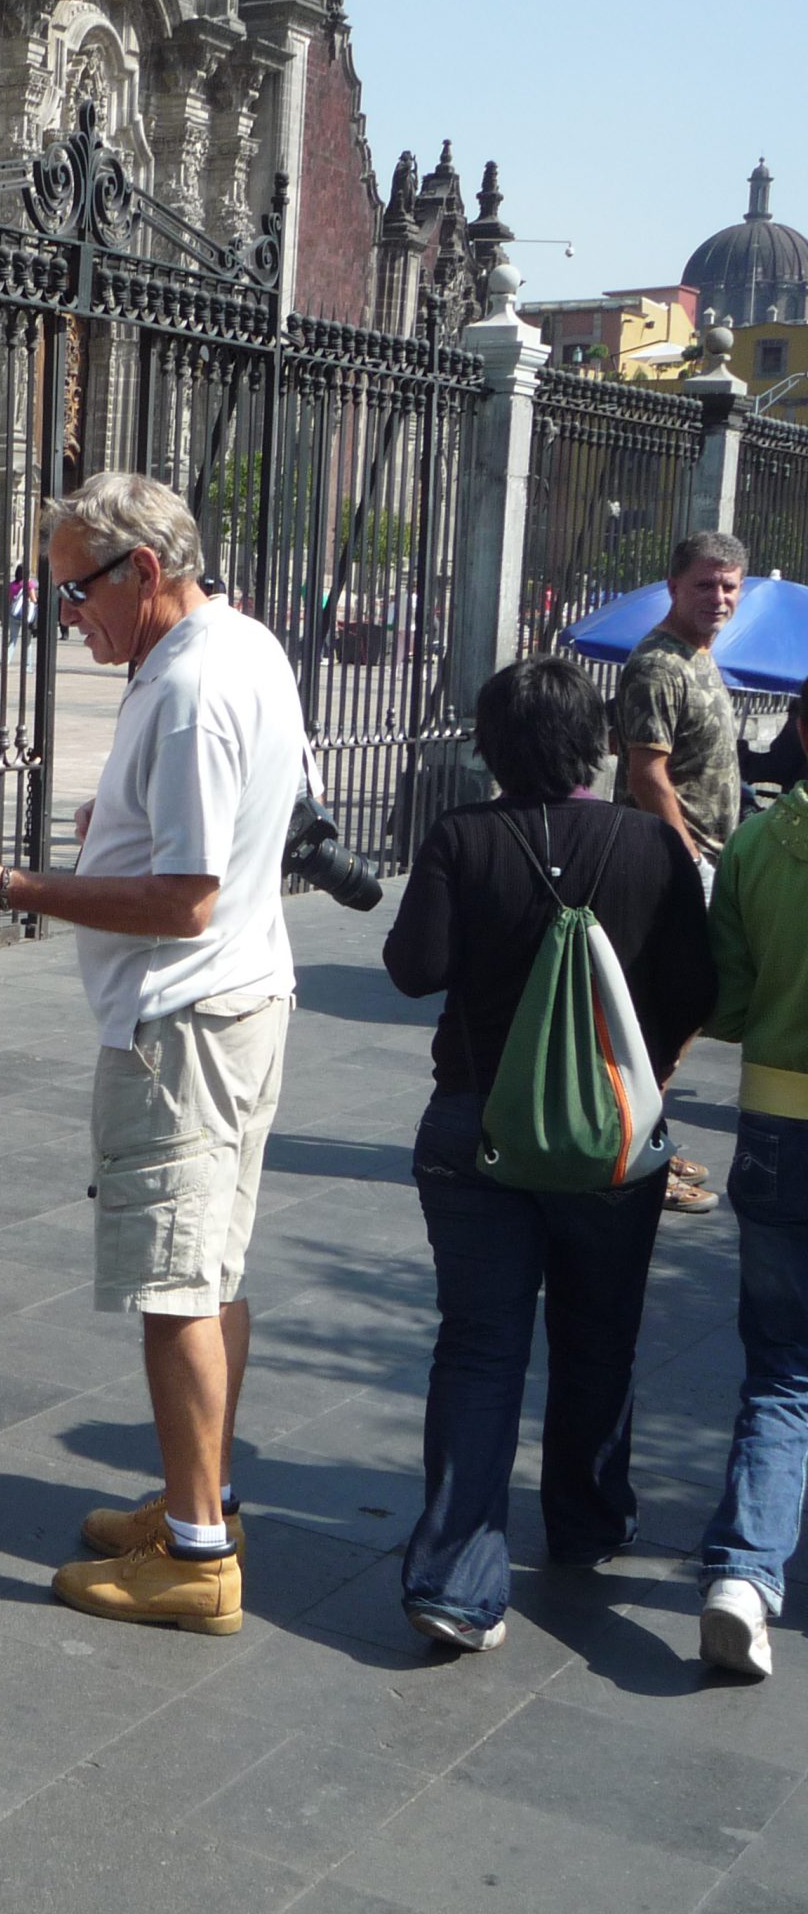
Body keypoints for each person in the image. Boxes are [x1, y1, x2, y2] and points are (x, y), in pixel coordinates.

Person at [0, 473, 303, 1636]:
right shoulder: (240, 646)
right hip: (239, 1000)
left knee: (172, 1286)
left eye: (76, 590)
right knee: (211, 1272)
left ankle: (197, 1558)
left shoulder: (190, 690)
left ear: (146, 571)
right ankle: (196, 1497)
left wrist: (9, 886)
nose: (63, 613)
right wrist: (113, 830)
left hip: (183, 1020)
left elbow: (183, 899)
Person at [382, 656, 712, 1653]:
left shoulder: (461, 837)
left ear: (490, 746)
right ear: (598, 743)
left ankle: (453, 1581)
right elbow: (698, 989)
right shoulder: (651, 845)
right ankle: (587, 1519)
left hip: (474, 1125)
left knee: (479, 1346)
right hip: (610, 1140)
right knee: (599, 1332)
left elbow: (414, 970)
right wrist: (637, 1063)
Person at [694, 679, 808, 1679]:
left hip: (777, 1125)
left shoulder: (757, 845)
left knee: (782, 1369)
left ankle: (744, 1574)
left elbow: (726, 1008)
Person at [614, 530, 747, 1215]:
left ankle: (650, 1136)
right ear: (673, 587)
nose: (717, 598)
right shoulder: (658, 665)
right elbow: (647, 773)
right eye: (704, 584)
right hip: (670, 867)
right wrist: (688, 861)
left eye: (728, 586)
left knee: (683, 1011)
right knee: (666, 1012)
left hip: (705, 860)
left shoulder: (700, 656)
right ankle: (640, 1152)